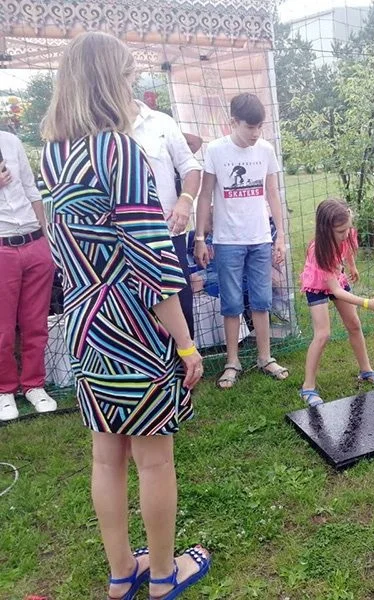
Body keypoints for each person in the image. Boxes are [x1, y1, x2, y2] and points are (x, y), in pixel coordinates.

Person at [39, 32, 210, 600]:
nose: (134, 82)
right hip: (133, 324)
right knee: (153, 460)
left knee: (105, 455)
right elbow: (153, 258)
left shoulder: (53, 153)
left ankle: (121, 574)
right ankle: (163, 575)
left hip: (85, 324)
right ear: (107, 79)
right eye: (128, 72)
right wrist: (186, 342)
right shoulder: (118, 149)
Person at [194, 93, 288, 388]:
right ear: (232, 122)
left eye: (259, 127)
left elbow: (273, 194)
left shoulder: (266, 149)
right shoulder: (216, 151)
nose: (255, 134)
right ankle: (232, 362)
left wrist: (280, 236)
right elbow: (205, 195)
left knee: (261, 299)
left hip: (260, 237)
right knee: (231, 302)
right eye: (250, 127)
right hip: (227, 240)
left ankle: (265, 357)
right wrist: (200, 237)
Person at [299, 198, 374, 406]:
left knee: (354, 325)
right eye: (340, 231)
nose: (346, 234)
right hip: (318, 284)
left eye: (347, 229)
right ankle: (307, 387)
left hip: (336, 277)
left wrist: (352, 266)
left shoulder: (346, 233)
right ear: (326, 230)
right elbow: (336, 291)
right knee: (323, 334)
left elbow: (347, 248)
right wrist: (369, 303)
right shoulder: (319, 251)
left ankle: (366, 371)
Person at [130, 94, 202, 339]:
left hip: (170, 233)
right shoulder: (100, 127)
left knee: (180, 305)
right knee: (139, 312)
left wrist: (185, 200)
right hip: (127, 241)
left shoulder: (161, 122)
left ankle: (187, 372)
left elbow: (190, 167)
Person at [0, 130, 57, 421]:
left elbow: (31, 189)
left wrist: (46, 239)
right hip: (2, 246)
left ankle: (34, 385)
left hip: (33, 241)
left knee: (36, 323)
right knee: (3, 328)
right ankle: (4, 389)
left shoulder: (11, 140)